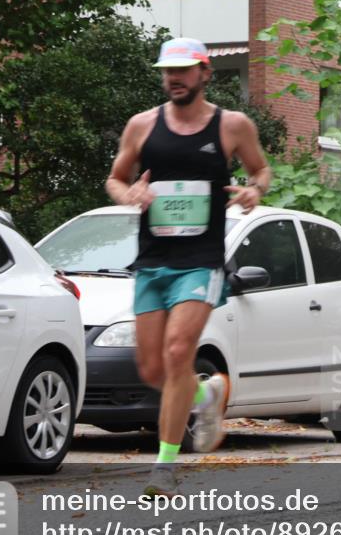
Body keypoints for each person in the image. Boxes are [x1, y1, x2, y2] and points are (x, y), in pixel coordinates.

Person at [105, 37, 271, 495]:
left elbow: (260, 171)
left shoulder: (232, 126)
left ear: (204, 73)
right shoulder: (141, 125)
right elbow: (116, 179)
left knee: (179, 353)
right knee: (153, 371)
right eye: (167, 71)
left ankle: (164, 467)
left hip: (201, 261)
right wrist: (130, 195)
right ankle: (206, 394)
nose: (173, 79)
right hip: (153, 261)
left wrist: (254, 190)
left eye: (182, 71)